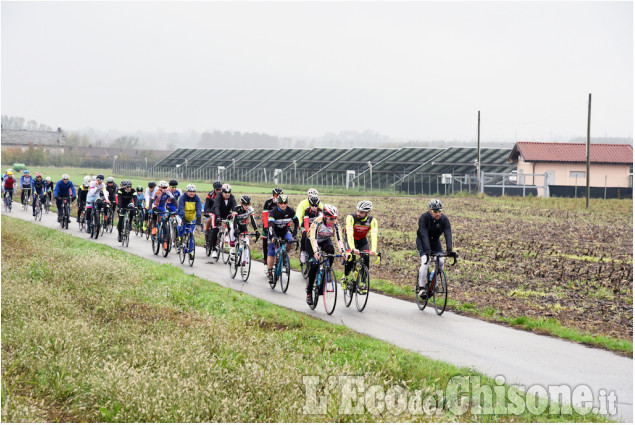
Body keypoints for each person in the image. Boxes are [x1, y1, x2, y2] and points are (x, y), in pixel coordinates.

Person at [305, 204, 346, 305]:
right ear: (325, 216)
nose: (333, 221)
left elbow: (339, 239)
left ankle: (327, 271)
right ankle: (309, 292)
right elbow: (313, 238)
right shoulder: (317, 222)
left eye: (335, 218)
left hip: (324, 240)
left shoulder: (336, 224)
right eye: (331, 219)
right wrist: (316, 251)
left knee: (331, 251)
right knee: (314, 264)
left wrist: (343, 251)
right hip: (312, 241)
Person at [416, 199, 456, 299]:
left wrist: (449, 250)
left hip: (435, 241)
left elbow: (448, 234)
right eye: (435, 211)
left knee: (441, 261)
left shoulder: (444, 219)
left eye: (439, 211)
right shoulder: (424, 218)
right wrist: (427, 250)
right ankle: (421, 288)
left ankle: (434, 280)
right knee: (426, 261)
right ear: (430, 211)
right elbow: (424, 235)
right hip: (422, 240)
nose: (438, 214)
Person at [341, 200, 379, 290]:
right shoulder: (351, 217)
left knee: (366, 258)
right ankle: (345, 277)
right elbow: (349, 234)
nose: (358, 213)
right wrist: (353, 249)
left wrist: (373, 250)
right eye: (357, 211)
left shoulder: (372, 220)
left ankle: (362, 281)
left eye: (361, 212)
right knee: (351, 257)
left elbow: (374, 235)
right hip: (350, 238)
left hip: (362, 239)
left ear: (368, 213)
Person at [266, 194, 299, 285]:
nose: (283, 205)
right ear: (278, 203)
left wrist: (295, 233)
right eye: (281, 203)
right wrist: (274, 237)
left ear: (287, 203)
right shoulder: (273, 212)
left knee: (290, 240)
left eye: (285, 203)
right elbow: (270, 227)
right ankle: (269, 272)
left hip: (284, 231)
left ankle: (284, 255)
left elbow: (296, 222)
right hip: (274, 231)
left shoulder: (290, 211)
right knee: (271, 252)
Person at [210, 183, 237, 259]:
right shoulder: (218, 197)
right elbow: (216, 207)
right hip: (217, 213)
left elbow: (235, 207)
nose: (227, 194)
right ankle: (214, 249)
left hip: (226, 214)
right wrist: (218, 217)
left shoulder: (232, 197)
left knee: (231, 225)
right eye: (225, 192)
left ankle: (227, 236)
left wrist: (235, 214)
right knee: (215, 229)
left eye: (229, 192)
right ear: (222, 192)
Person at [299, 195, 323, 265]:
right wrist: (308, 231)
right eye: (312, 205)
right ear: (310, 205)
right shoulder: (307, 211)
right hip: (306, 226)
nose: (314, 207)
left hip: (315, 227)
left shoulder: (320, 211)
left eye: (316, 206)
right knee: (305, 235)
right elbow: (306, 222)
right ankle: (303, 252)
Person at [262, 187, 284, 265]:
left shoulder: (283, 203)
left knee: (281, 240)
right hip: (268, 223)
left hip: (278, 224)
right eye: (276, 195)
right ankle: (265, 260)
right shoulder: (268, 202)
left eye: (279, 195)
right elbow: (264, 215)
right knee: (265, 241)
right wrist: (265, 226)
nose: (277, 196)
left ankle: (282, 258)